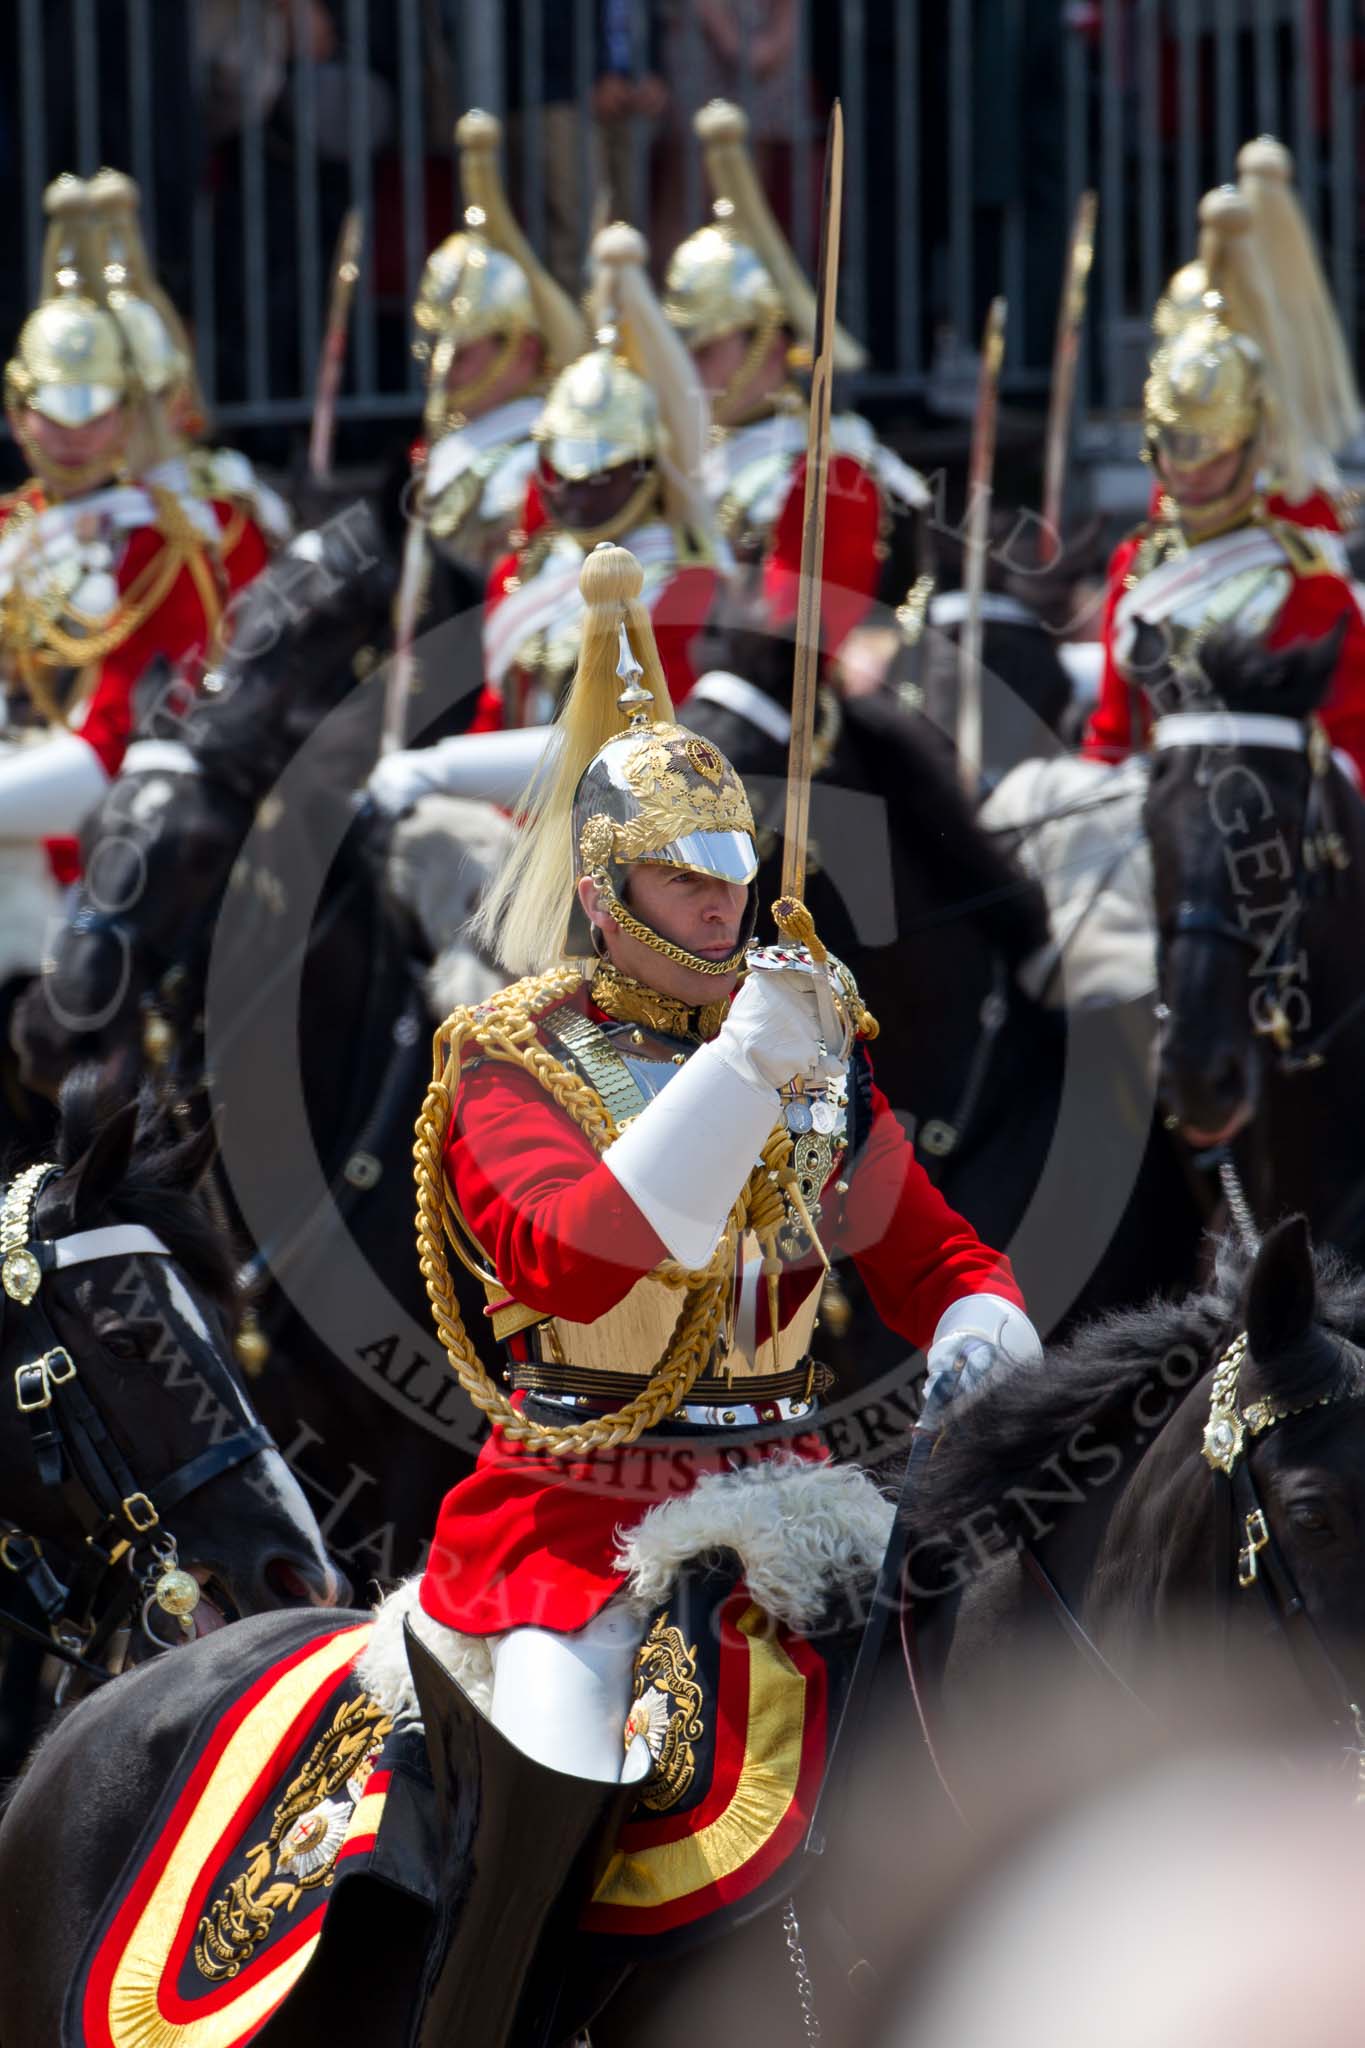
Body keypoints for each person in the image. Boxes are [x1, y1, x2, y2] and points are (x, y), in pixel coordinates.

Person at [397, 539, 1040, 1839]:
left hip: (795, 1490)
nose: (718, 904)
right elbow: (572, 1256)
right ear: (599, 893)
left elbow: (935, 1258)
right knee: (554, 1772)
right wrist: (747, 1062)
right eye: (679, 877)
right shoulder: (509, 1061)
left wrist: (983, 1324)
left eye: (728, 872)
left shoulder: (806, 1037)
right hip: (575, 1527)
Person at [0, 175, 272, 894]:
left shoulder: (166, 544)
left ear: (125, 417)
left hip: (103, 824)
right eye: (53, 415)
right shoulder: (7, 528)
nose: (73, 438)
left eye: (95, 415)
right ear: (18, 412)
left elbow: (119, 739)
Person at [1082, 175, 1365, 783]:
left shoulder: (1310, 581)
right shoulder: (1135, 565)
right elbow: (1114, 734)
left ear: (1250, 445)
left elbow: (1349, 745)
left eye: (1213, 451)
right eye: (1176, 448)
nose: (1192, 471)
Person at [663, 99, 928, 659]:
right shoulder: (675, 456)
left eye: (708, 348)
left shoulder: (829, 463)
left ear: (772, 342)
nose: (690, 368)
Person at [472, 221, 723, 731]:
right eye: (564, 472)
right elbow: (498, 712)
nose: (578, 493)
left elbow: (654, 735)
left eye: (601, 476)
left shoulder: (680, 582)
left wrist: (450, 768)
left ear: (645, 469)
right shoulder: (526, 569)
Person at [409, 109, 588, 577]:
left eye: (463, 354)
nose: (440, 372)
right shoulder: (449, 449)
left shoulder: (536, 467)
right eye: (435, 351)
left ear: (525, 350)